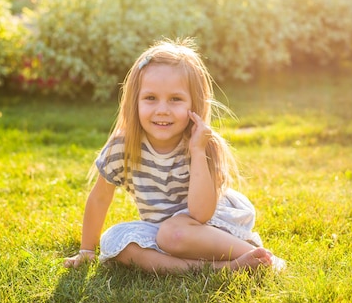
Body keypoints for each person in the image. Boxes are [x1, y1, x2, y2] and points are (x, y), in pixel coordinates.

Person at [64, 38, 285, 273]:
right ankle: (217, 268)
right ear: (134, 102)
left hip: (205, 227)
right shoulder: (123, 146)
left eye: (175, 99)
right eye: (150, 98)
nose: (162, 109)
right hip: (159, 231)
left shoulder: (202, 144)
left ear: (194, 104)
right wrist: (87, 250)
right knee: (116, 242)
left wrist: (198, 152)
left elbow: (201, 213)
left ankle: (258, 257)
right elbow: (100, 198)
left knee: (172, 234)